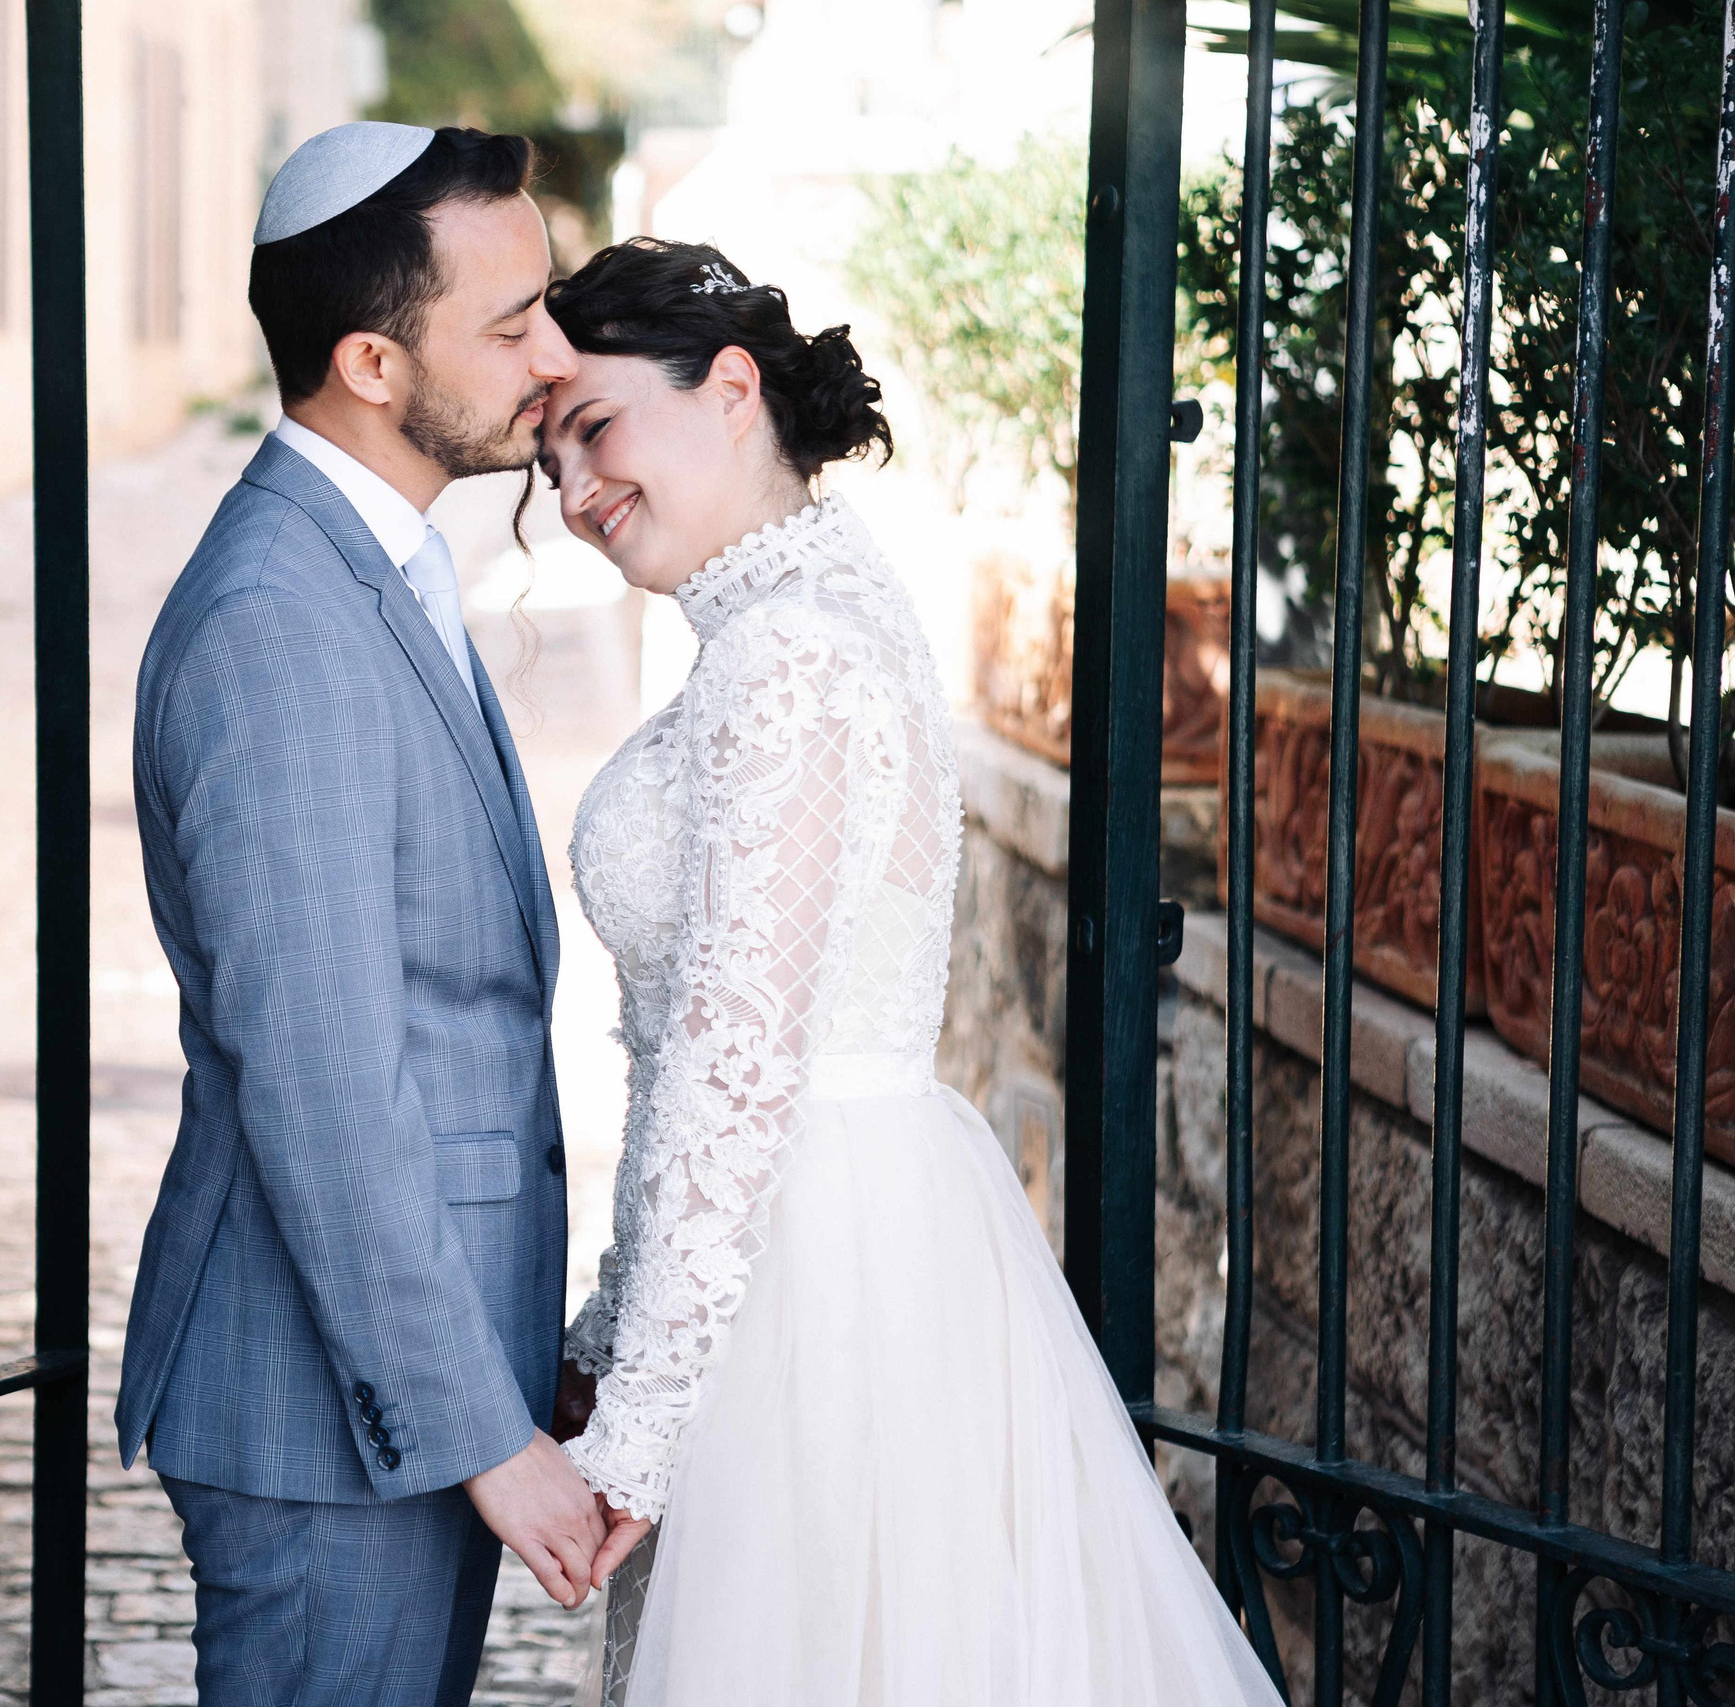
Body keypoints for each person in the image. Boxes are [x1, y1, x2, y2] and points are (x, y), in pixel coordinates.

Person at [534, 237, 1286, 1706]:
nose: (571, 496)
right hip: (836, 1237)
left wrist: (643, 1422)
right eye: (545, 465)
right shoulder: (813, 610)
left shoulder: (788, 657)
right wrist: (618, 1331)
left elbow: (739, 1064)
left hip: (809, 1274)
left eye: (596, 431)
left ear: (732, 387)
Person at [118, 123, 601, 1705]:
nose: (557, 352)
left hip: (394, 1390)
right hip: (326, 1420)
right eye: (512, 323)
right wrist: (477, 1429)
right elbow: (324, 1081)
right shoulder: (280, 619)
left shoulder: (373, 563)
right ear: (374, 365)